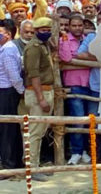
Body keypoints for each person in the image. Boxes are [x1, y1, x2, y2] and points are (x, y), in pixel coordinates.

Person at [23, 17, 55, 182]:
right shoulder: (34, 48)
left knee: (40, 131)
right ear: (36, 31)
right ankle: (32, 168)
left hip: (45, 90)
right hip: (38, 92)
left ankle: (34, 164)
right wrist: (41, 98)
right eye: (43, 30)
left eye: (48, 30)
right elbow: (33, 74)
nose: (46, 33)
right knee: (35, 132)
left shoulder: (44, 45)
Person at [59, 13, 92, 165]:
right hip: (74, 84)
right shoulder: (64, 40)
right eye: (74, 25)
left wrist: (77, 58)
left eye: (80, 25)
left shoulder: (88, 40)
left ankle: (84, 151)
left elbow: (95, 57)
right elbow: (66, 58)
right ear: (69, 27)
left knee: (88, 120)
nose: (77, 28)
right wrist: (83, 57)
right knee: (78, 119)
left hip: (90, 84)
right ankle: (76, 152)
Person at [0, 20, 23, 171]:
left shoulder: (8, 50)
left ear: (8, 34)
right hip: (6, 92)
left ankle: (9, 164)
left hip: (7, 92)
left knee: (7, 129)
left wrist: (21, 91)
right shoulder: (5, 48)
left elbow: (14, 76)